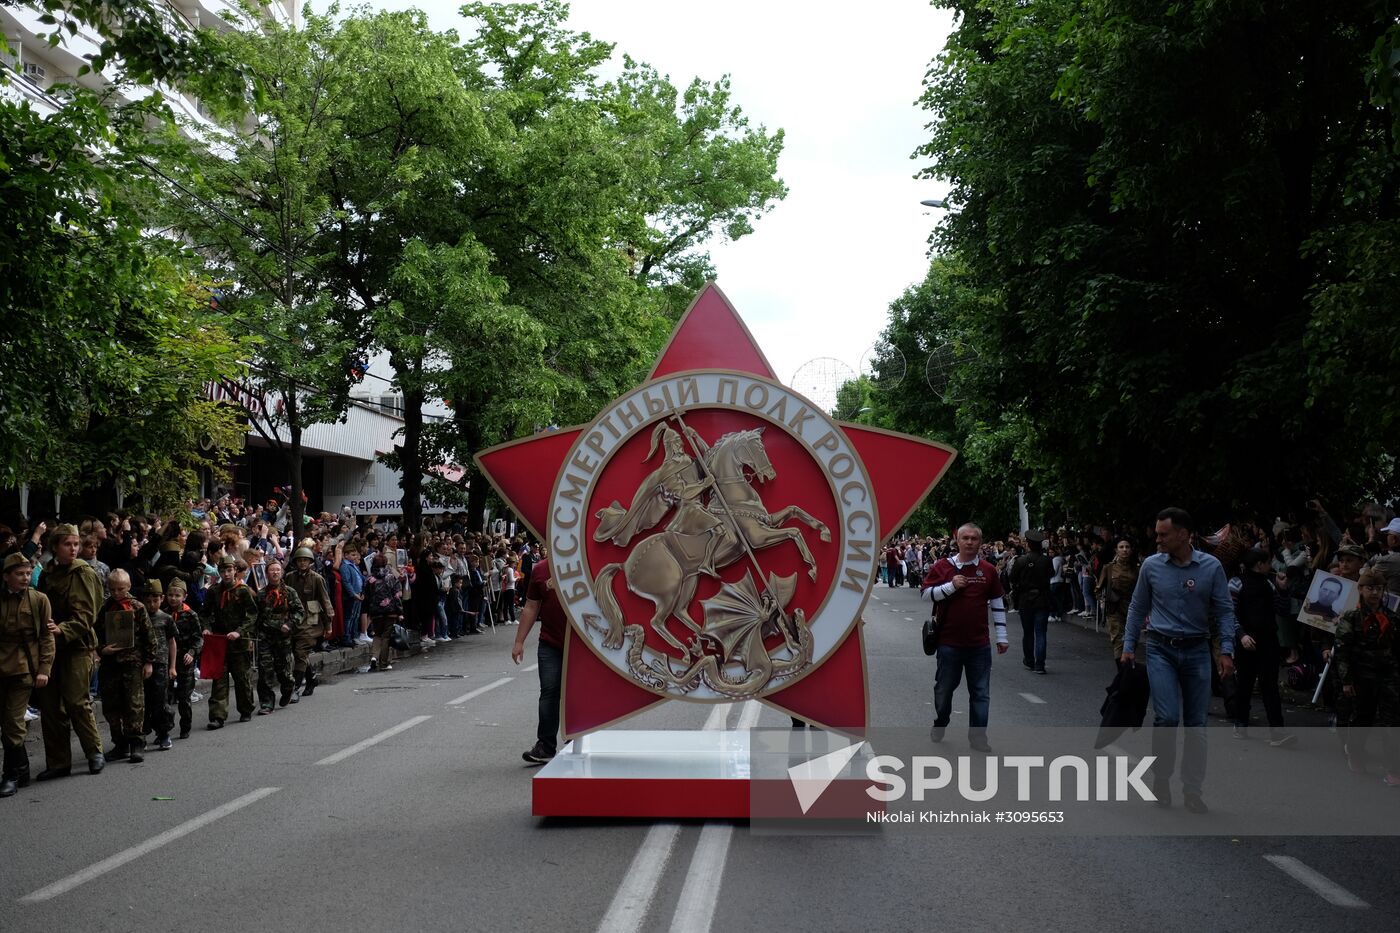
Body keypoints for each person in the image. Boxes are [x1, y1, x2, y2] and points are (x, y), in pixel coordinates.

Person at [1121, 507, 1236, 813]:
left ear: (1184, 535)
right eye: (1157, 533)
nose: (1157, 539)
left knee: (1196, 725)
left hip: (1197, 651)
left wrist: (1226, 650)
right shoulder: (1151, 566)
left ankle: (1192, 790)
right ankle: (1161, 779)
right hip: (1160, 649)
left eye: (1163, 534)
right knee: (1167, 717)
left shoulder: (1211, 568)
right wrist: (1128, 645)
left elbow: (1224, 610)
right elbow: (1137, 606)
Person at [921, 523, 1010, 753]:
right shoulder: (943, 567)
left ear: (980, 542)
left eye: (974, 538)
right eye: (965, 538)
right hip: (949, 643)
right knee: (944, 690)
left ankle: (978, 738)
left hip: (979, 645)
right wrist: (950, 586)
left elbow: (998, 604)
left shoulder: (988, 570)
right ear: (957, 540)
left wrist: (1002, 636)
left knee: (980, 693)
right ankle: (941, 721)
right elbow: (925, 594)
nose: (969, 542)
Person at [35, 523, 107, 779]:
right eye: (68, 544)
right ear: (55, 547)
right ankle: (58, 762)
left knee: (78, 701)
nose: (74, 549)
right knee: (51, 706)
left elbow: (87, 614)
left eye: (76, 544)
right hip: (51, 647)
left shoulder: (83, 573)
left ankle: (94, 752)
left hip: (77, 645)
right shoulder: (48, 573)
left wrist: (62, 629)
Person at [1332, 569, 1399, 784]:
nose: (1375, 593)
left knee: (1392, 722)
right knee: (1362, 718)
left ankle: (1393, 769)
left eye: (1379, 589)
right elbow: (1342, 651)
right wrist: (1347, 680)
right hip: (1361, 676)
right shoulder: (1351, 617)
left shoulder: (1391, 617)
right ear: (1360, 589)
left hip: (1388, 675)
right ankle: (1356, 755)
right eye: (1370, 588)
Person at [1, 554, 54, 797]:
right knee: (7, 721)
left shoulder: (38, 600)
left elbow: (46, 637)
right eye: (19, 573)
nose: (25, 577)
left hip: (23, 670)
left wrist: (44, 669)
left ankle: (10, 775)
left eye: (27, 573)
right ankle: (22, 770)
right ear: (6, 576)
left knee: (13, 721)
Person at [1230, 549, 1294, 746]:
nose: (1271, 567)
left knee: (1270, 686)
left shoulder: (1268, 584)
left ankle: (1277, 731)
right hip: (1246, 641)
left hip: (1268, 640)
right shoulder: (1236, 583)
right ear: (1259, 564)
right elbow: (1228, 613)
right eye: (1268, 563)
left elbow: (1282, 609)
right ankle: (1240, 723)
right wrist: (1241, 635)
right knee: (1245, 684)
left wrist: (1283, 589)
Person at [94, 569, 156, 763]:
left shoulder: (137, 607)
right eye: (112, 589)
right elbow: (96, 634)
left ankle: (136, 742)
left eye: (120, 589)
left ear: (128, 587)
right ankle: (119, 743)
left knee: (134, 704)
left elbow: (149, 636)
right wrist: (102, 649)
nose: (116, 593)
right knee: (111, 705)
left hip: (132, 662)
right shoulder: (106, 608)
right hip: (110, 663)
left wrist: (148, 661)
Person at [512, 556, 565, 764]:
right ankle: (545, 746)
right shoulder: (541, 569)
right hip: (550, 642)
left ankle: (576, 741)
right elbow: (531, 606)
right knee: (549, 692)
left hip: (581, 645)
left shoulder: (587, 562)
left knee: (577, 693)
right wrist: (519, 642)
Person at [202, 554, 259, 728]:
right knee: (219, 679)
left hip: (238, 642)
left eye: (229, 570)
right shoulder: (213, 591)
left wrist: (240, 632)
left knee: (242, 678)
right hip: (220, 641)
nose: (226, 574)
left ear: (235, 571)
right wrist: (206, 627)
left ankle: (246, 709)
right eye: (222, 571)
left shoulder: (243, 590)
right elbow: (206, 614)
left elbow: (252, 614)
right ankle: (218, 716)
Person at [255, 559, 302, 713]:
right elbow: (256, 616)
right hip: (265, 637)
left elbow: (299, 611)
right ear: (267, 573)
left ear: (281, 573)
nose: (275, 573)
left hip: (283, 638)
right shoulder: (261, 594)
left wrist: (289, 624)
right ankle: (267, 703)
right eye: (271, 570)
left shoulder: (289, 592)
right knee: (265, 671)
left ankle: (289, 689)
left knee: (285, 673)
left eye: (277, 570)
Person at [285, 546, 333, 697]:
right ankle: (311, 679)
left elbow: (325, 601)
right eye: (299, 560)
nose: (302, 563)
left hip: (311, 621)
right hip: (294, 620)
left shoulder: (317, 579)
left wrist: (328, 623)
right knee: (298, 652)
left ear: (310, 562)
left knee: (300, 652)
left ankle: (295, 687)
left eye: (305, 560)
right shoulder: (290, 577)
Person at [139, 579, 177, 751]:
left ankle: (163, 734)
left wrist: (172, 666)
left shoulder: (166, 618)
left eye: (155, 600)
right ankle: (143, 734)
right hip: (142, 664)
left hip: (161, 664)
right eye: (148, 600)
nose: (152, 604)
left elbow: (172, 642)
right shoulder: (139, 617)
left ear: (161, 599)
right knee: (143, 700)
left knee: (161, 701)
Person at [1009, 530, 1053, 674]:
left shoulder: (1021, 560)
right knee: (1041, 633)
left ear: (1028, 544)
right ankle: (1040, 665)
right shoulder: (1046, 560)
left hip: (1025, 600)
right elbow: (1051, 574)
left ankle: (1029, 660)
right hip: (1042, 599)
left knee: (1028, 632)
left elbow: (1012, 578)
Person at [166, 578, 202, 739]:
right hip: (167, 659)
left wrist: (192, 652)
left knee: (184, 696)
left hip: (185, 659)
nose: (173, 598)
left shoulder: (190, 614)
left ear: (184, 597)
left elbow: (198, 638)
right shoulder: (164, 613)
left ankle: (185, 726)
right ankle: (165, 727)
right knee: (165, 696)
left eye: (177, 595)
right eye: (170, 595)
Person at [1096, 538, 1140, 660]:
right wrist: (1102, 601)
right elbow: (1098, 588)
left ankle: (1126, 671)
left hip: (1132, 609)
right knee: (1118, 641)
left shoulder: (1136, 569)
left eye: (1127, 547)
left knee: (1132, 641)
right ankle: (1122, 671)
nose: (1124, 550)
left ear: (1131, 550)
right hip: (1114, 608)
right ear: (1116, 550)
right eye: (1121, 547)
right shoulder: (1108, 568)